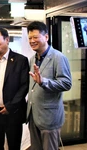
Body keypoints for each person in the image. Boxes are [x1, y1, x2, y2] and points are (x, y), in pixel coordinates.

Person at [26, 21, 72, 150]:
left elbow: (66, 83)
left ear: (46, 37)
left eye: (35, 37)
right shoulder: (33, 59)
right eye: (30, 38)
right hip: (34, 115)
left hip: (49, 117)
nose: (32, 41)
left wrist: (43, 82)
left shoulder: (58, 57)